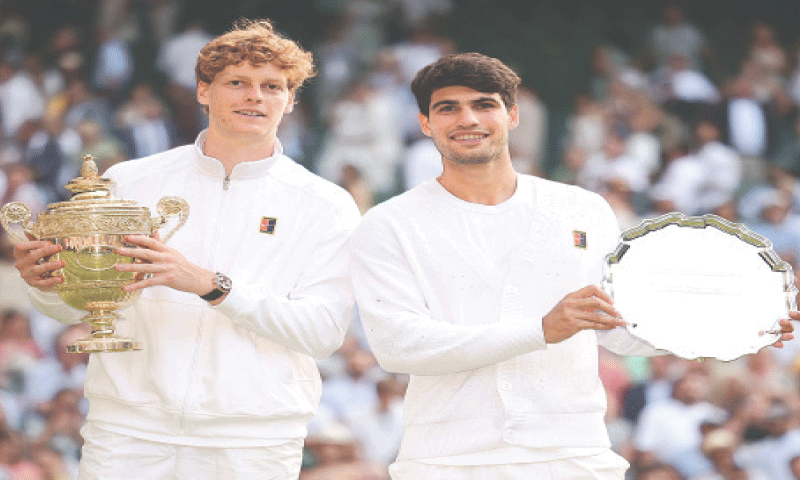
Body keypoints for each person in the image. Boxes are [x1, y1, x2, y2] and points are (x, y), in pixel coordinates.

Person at [348, 52, 798, 480]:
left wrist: (731, 325)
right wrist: (542, 329)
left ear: (513, 115)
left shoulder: (582, 208)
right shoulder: (389, 224)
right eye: (448, 108)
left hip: (574, 453)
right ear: (425, 123)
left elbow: (619, 327)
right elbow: (397, 347)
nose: (467, 120)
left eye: (484, 105)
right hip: (447, 460)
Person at [11, 19, 361, 480]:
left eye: (272, 86)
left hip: (252, 442)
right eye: (236, 82)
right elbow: (72, 307)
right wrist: (44, 285)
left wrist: (211, 286)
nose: (254, 96)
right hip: (127, 435)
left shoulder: (328, 205)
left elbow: (322, 333)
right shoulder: (129, 182)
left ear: (291, 100)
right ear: (202, 91)